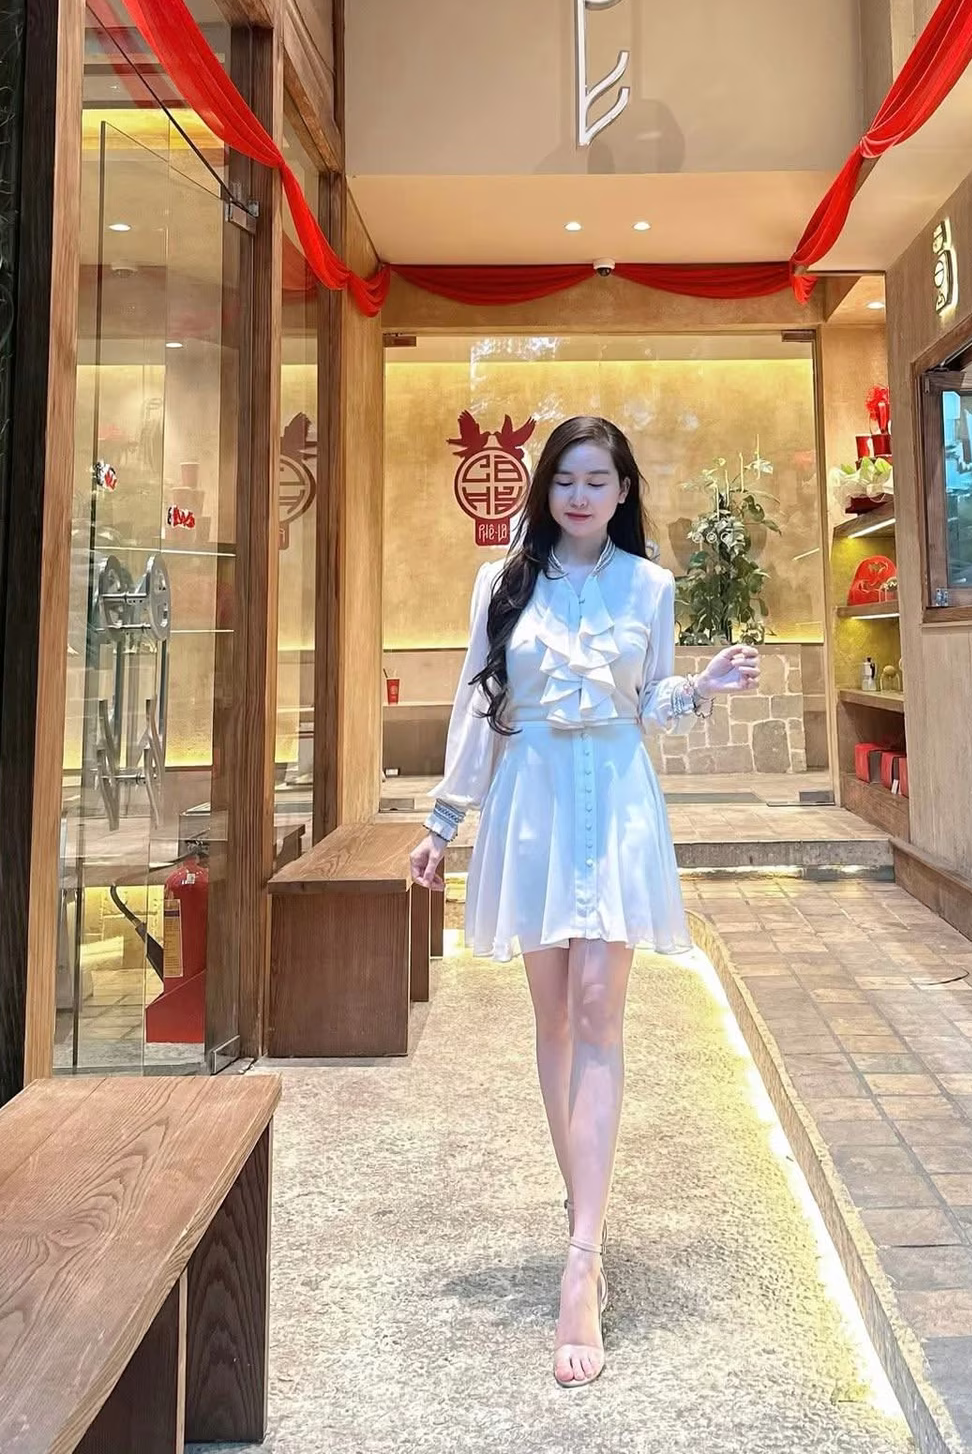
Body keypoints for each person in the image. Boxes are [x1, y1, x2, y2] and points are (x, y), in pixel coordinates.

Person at [409, 416, 761, 1388]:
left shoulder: (649, 585)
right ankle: (585, 1214)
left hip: (617, 801)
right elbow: (477, 707)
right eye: (564, 479)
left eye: (596, 480)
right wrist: (442, 822)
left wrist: (700, 687)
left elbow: (646, 706)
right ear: (546, 488)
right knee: (556, 1019)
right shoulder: (501, 581)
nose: (578, 496)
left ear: (622, 490)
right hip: (531, 803)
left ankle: (582, 1260)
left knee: (602, 1010)